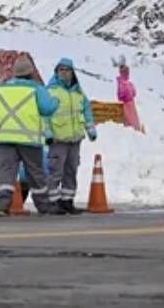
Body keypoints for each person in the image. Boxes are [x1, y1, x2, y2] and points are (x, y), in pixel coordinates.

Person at [0, 57, 60, 216]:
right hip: (29, 140)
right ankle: (44, 206)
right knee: (35, 173)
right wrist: (56, 101)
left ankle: (2, 205)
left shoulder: (1, 89)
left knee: (6, 172)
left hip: (5, 139)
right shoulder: (36, 89)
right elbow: (47, 109)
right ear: (30, 73)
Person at [45, 57, 97, 215]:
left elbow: (86, 111)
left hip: (75, 139)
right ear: (56, 72)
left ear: (72, 73)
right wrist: (47, 133)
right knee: (55, 171)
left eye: (67, 70)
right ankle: (52, 202)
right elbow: (44, 115)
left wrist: (91, 130)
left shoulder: (78, 93)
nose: (64, 73)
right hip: (58, 139)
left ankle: (67, 201)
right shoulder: (50, 91)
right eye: (61, 70)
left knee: (71, 171)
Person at [116, 59, 145, 133]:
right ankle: (133, 131)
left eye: (128, 72)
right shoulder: (121, 83)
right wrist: (127, 95)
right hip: (127, 104)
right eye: (126, 72)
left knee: (134, 120)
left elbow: (134, 93)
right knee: (130, 120)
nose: (127, 74)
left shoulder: (128, 83)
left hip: (131, 104)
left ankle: (137, 130)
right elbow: (120, 96)